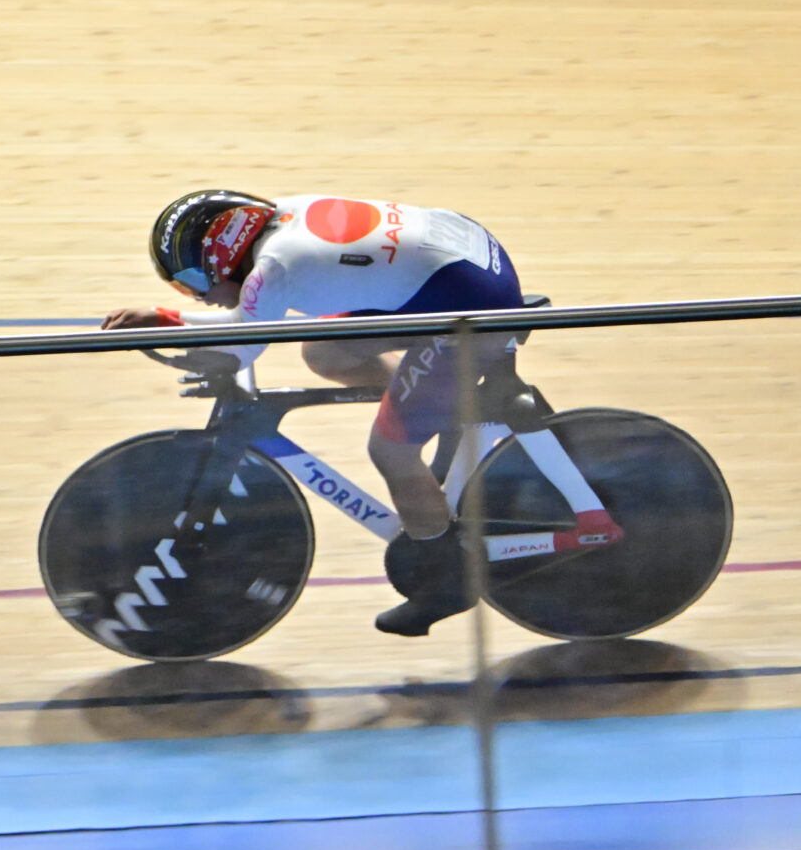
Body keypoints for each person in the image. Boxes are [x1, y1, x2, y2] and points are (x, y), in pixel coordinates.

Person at [104, 192, 590, 637]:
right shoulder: (278, 222)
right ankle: (435, 409)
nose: (198, 296)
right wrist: (164, 317)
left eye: (193, 282)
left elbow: (239, 347)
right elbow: (243, 322)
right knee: (326, 351)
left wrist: (174, 335)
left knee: (390, 450)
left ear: (224, 253)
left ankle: (447, 580)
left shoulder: (275, 266)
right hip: (459, 268)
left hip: (469, 305)